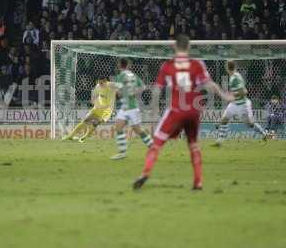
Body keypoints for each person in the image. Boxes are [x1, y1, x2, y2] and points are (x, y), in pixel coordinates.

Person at [133, 34, 234, 190]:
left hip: (176, 110)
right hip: (194, 111)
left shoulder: (168, 65)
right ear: (188, 47)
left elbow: (156, 90)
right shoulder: (196, 64)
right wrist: (223, 94)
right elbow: (208, 85)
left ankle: (145, 173)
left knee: (157, 143)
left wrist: (153, 112)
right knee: (194, 145)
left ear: (175, 46)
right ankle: (198, 181)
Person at [214, 60, 268, 146]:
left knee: (249, 123)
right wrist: (232, 96)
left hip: (242, 104)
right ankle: (219, 141)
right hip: (234, 103)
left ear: (227, 68)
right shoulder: (233, 77)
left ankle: (264, 133)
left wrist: (231, 95)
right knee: (224, 119)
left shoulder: (235, 77)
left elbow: (244, 92)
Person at [110, 59, 153, 160]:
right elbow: (143, 87)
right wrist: (133, 92)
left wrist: (114, 88)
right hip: (127, 107)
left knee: (138, 130)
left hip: (131, 107)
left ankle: (153, 147)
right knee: (118, 126)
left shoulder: (120, 77)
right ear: (128, 65)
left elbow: (119, 93)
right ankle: (122, 152)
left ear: (119, 65)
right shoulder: (134, 76)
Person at [62, 77, 117, 143]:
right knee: (85, 120)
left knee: (95, 123)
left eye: (101, 83)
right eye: (99, 83)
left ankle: (83, 138)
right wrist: (95, 102)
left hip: (107, 110)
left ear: (105, 81)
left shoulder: (111, 86)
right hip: (97, 108)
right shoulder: (98, 86)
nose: (100, 84)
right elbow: (93, 97)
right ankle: (70, 136)